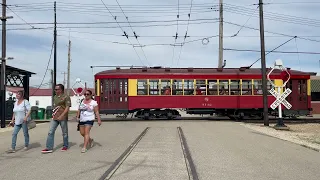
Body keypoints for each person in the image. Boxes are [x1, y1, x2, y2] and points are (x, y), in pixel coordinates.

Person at [41, 84, 71, 153]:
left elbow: (67, 108)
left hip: (62, 117)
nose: (55, 90)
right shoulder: (54, 97)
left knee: (64, 133)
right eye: (55, 89)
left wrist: (62, 115)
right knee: (50, 132)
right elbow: (55, 107)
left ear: (61, 90)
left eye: (57, 89)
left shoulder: (66, 97)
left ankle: (65, 145)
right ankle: (49, 148)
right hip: (55, 117)